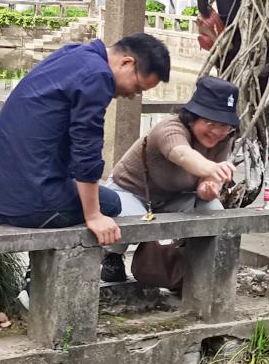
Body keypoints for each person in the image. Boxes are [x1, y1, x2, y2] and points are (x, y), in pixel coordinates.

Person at [0, 34, 171, 246]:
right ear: (127, 62)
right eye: (138, 87)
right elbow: (87, 149)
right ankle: (101, 261)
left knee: (87, 192)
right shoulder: (98, 75)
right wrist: (94, 216)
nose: (131, 95)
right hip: (27, 204)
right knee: (112, 203)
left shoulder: (74, 53)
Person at [100, 76, 240, 283]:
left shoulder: (223, 140)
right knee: (136, 222)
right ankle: (111, 255)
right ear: (193, 117)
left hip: (173, 196)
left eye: (225, 126)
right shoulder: (169, 128)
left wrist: (208, 188)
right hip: (131, 190)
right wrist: (212, 167)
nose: (217, 132)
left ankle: (198, 265)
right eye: (210, 123)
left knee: (213, 210)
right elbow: (182, 155)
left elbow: (208, 181)